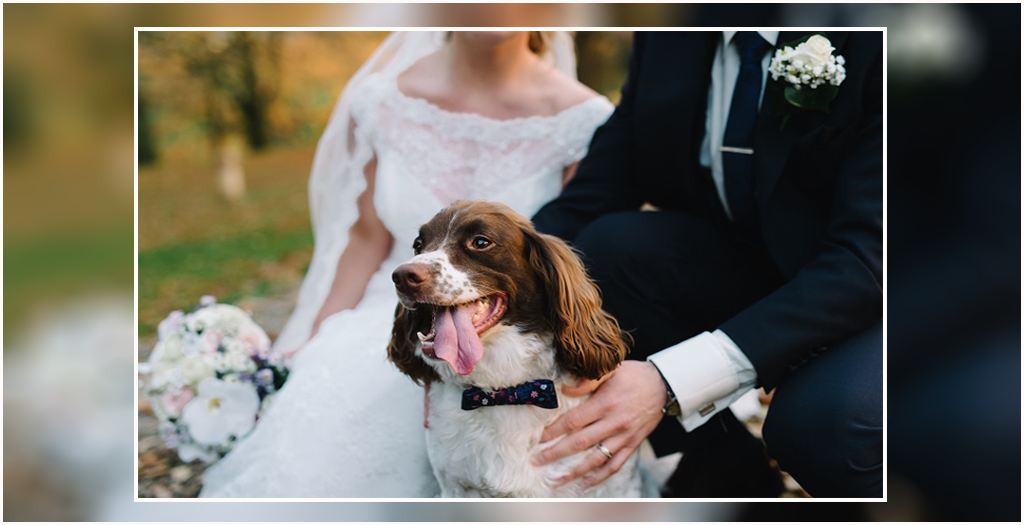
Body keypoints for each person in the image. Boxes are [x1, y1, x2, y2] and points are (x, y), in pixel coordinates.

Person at [200, 31, 614, 497]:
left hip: (513, 326)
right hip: (390, 314)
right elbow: (364, 239)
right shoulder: (381, 98)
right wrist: (311, 339)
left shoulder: (586, 117)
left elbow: (576, 250)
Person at [531, 31, 882, 497]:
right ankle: (732, 475)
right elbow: (599, 186)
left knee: (824, 426)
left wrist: (667, 380)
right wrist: (483, 288)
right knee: (605, 249)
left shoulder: (874, 36)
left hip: (890, 288)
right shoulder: (670, 35)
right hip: (757, 267)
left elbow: (869, 258)